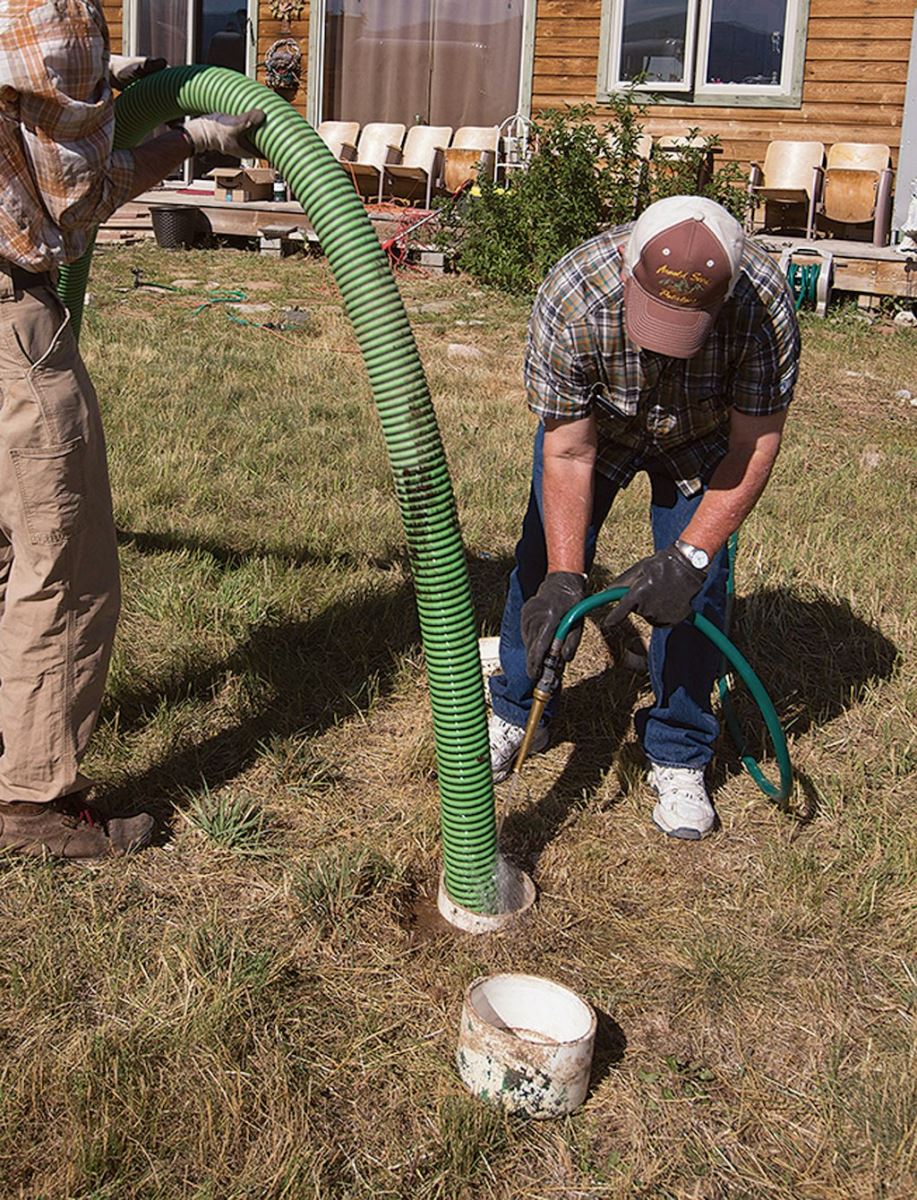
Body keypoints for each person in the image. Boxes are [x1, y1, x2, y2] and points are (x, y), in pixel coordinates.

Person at [0, 1, 266, 861]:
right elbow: (75, 201)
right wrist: (184, 139)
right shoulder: (45, 12)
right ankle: (32, 804)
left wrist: (104, 95)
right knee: (62, 567)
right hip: (9, 325)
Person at [488, 194, 800, 839]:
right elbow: (569, 450)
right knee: (541, 565)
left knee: (699, 589)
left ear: (728, 291)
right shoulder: (575, 295)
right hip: (599, 432)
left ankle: (679, 749)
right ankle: (521, 708)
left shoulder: (763, 306)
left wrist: (686, 558)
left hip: (705, 439)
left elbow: (753, 445)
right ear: (628, 267)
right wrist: (566, 580)